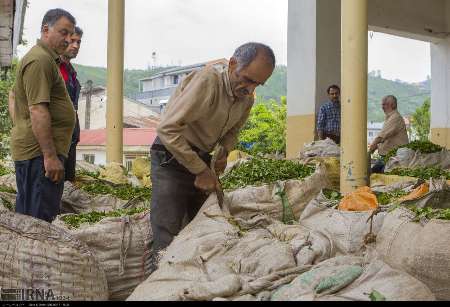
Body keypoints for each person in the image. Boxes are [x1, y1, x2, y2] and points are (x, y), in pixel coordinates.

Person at [150, 42, 275, 261]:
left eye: (258, 84)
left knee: (205, 228)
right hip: (171, 156)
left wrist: (224, 151)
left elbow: (233, 131)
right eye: (247, 79)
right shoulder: (208, 80)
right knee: (167, 233)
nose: (250, 89)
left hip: (201, 158)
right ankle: (160, 283)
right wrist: (201, 171)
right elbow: (167, 129)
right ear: (233, 64)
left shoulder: (247, 98)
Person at [11, 9, 76, 223]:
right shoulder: (39, 61)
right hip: (39, 157)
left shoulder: (48, 60)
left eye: (71, 35)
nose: (68, 40)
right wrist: (49, 156)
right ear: (46, 30)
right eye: (63, 32)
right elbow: (37, 109)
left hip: (40, 155)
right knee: (38, 224)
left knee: (34, 220)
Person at [60, 26, 83, 182]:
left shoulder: (71, 71)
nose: (75, 45)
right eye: (72, 41)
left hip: (70, 138)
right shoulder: (52, 67)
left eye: (79, 42)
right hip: (56, 141)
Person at [369, 95, 409, 173]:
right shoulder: (390, 117)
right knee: (373, 173)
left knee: (377, 174)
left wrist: (370, 150)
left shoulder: (395, 117)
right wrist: (377, 146)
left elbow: (381, 137)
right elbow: (385, 138)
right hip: (386, 156)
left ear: (392, 105)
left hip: (394, 157)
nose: (382, 107)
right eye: (382, 105)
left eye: (384, 104)